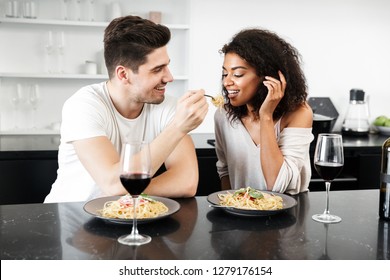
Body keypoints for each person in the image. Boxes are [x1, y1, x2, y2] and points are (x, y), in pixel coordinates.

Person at [44, 15, 208, 203]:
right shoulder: (83, 105)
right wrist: (178, 127)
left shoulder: (168, 106)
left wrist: (124, 194)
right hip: (71, 220)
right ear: (123, 74)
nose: (169, 77)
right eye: (157, 69)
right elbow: (113, 184)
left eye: (167, 66)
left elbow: (186, 183)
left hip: (128, 217)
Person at [214, 28, 313, 195]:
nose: (226, 82)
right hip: (240, 215)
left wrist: (265, 116)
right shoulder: (222, 115)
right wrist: (228, 209)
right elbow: (225, 171)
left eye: (237, 74)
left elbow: (277, 185)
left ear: (267, 77)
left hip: (289, 216)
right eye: (225, 74)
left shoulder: (299, 113)